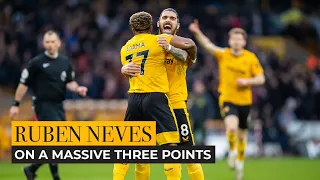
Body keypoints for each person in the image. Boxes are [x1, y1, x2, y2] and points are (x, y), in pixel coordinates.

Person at [121, 8, 204, 180]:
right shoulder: (148, 43)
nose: (168, 20)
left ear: (177, 25)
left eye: (172, 18)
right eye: (164, 17)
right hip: (150, 103)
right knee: (141, 157)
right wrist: (123, 69)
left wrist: (170, 47)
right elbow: (133, 63)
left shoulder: (178, 47)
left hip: (175, 105)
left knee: (189, 155)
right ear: (157, 23)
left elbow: (187, 56)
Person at [189, 20, 265, 180]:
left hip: (245, 101)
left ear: (243, 42)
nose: (236, 41)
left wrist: (248, 82)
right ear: (230, 41)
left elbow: (261, 78)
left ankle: (240, 165)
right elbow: (209, 46)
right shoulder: (224, 54)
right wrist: (197, 32)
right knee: (231, 128)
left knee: (243, 135)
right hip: (228, 99)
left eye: (239, 39)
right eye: (234, 39)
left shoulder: (250, 58)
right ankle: (232, 151)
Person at [9, 30, 88, 180]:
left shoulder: (65, 62)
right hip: (43, 105)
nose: (50, 45)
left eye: (53, 42)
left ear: (59, 43)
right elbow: (23, 84)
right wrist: (15, 104)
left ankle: (32, 168)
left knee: (58, 142)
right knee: (55, 138)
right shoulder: (36, 63)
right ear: (43, 44)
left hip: (58, 105)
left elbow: (70, 82)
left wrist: (78, 88)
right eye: (47, 42)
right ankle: (55, 176)